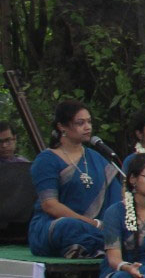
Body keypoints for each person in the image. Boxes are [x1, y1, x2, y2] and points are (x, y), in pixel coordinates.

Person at [29, 99, 117, 258]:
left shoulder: (96, 158)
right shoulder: (47, 160)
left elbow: (117, 197)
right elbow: (50, 205)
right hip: (54, 226)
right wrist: (91, 223)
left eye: (89, 122)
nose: (88, 127)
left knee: (123, 228)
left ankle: (93, 245)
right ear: (61, 126)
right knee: (69, 226)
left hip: (97, 226)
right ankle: (100, 245)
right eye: (80, 123)